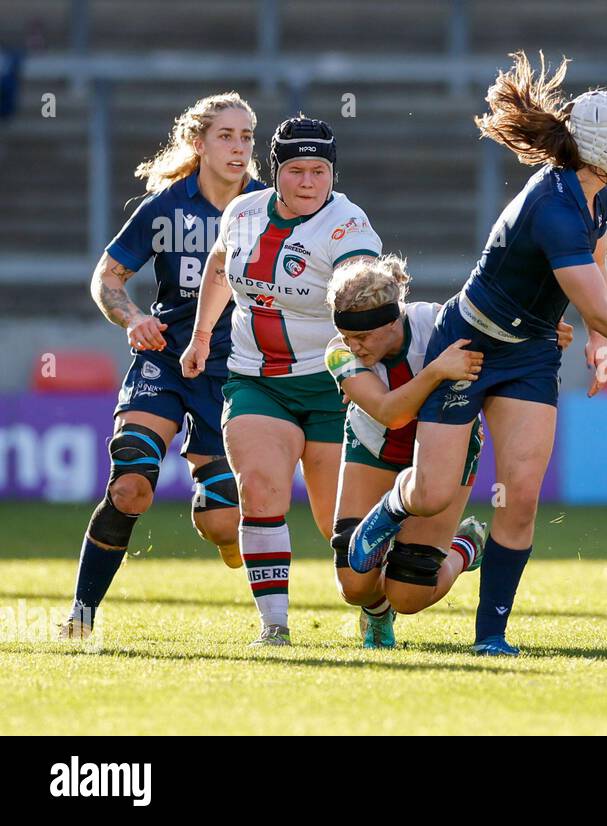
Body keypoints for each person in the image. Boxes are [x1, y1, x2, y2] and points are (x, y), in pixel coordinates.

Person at [350, 52, 607, 656]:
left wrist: (600, 341)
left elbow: (597, 272)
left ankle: (491, 636)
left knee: (523, 496)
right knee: (429, 494)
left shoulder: (595, 197)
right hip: (467, 345)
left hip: (529, 355)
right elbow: (601, 305)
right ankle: (392, 508)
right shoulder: (555, 207)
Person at [61, 92, 265, 639]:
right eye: (226, 135)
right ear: (198, 144)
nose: (239, 147)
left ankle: (226, 534)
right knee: (131, 482)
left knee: (222, 520)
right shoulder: (164, 208)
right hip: (165, 362)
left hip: (237, 371)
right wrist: (130, 317)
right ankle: (80, 617)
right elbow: (106, 277)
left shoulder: (270, 208)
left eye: (247, 136)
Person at [181, 115, 381, 646]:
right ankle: (274, 625)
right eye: (297, 170)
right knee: (261, 488)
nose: (310, 182)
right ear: (276, 172)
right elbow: (221, 267)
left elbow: (366, 291)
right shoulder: (243, 212)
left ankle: (379, 603)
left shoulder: (348, 226)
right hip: (255, 382)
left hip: (334, 390)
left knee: (340, 533)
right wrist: (202, 338)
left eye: (320, 170)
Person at [325, 254, 575, 647]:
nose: (352, 346)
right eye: (346, 335)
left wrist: (543, 331)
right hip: (374, 446)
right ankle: (375, 612)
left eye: (362, 338)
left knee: (409, 597)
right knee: (354, 585)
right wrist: (438, 370)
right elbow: (391, 414)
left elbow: (504, 341)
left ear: (392, 321)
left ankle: (464, 547)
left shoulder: (437, 323)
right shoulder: (338, 354)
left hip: (448, 449)